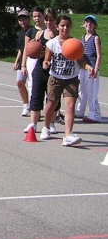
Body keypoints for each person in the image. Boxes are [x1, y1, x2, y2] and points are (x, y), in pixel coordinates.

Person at [42, 15, 95, 146]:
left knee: (70, 107)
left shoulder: (76, 43)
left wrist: (88, 67)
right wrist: (46, 63)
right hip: (55, 79)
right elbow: (46, 60)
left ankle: (67, 135)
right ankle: (46, 127)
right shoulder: (52, 43)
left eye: (68, 25)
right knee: (52, 104)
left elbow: (81, 61)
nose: (65, 28)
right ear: (57, 26)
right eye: (62, 25)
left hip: (71, 79)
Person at [23, 8, 58, 138]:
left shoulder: (59, 34)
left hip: (54, 70)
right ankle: (33, 123)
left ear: (56, 20)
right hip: (40, 68)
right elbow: (32, 49)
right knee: (36, 95)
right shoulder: (40, 34)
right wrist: (37, 51)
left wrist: (50, 53)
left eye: (52, 20)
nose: (49, 22)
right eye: (47, 20)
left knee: (52, 98)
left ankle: (51, 124)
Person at [76, 15, 102, 123]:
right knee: (82, 91)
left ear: (94, 25)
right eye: (87, 22)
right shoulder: (82, 37)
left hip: (92, 68)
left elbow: (99, 55)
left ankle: (95, 114)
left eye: (91, 23)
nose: (89, 24)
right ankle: (79, 111)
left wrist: (96, 68)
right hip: (83, 67)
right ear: (84, 24)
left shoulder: (95, 38)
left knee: (92, 92)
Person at [13, 10, 32, 117]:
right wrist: (16, 61)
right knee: (19, 82)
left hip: (32, 61)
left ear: (29, 19)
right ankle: (26, 105)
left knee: (31, 86)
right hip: (22, 62)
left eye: (24, 19)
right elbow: (21, 49)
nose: (22, 22)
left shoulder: (32, 31)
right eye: (20, 20)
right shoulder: (21, 33)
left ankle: (34, 108)